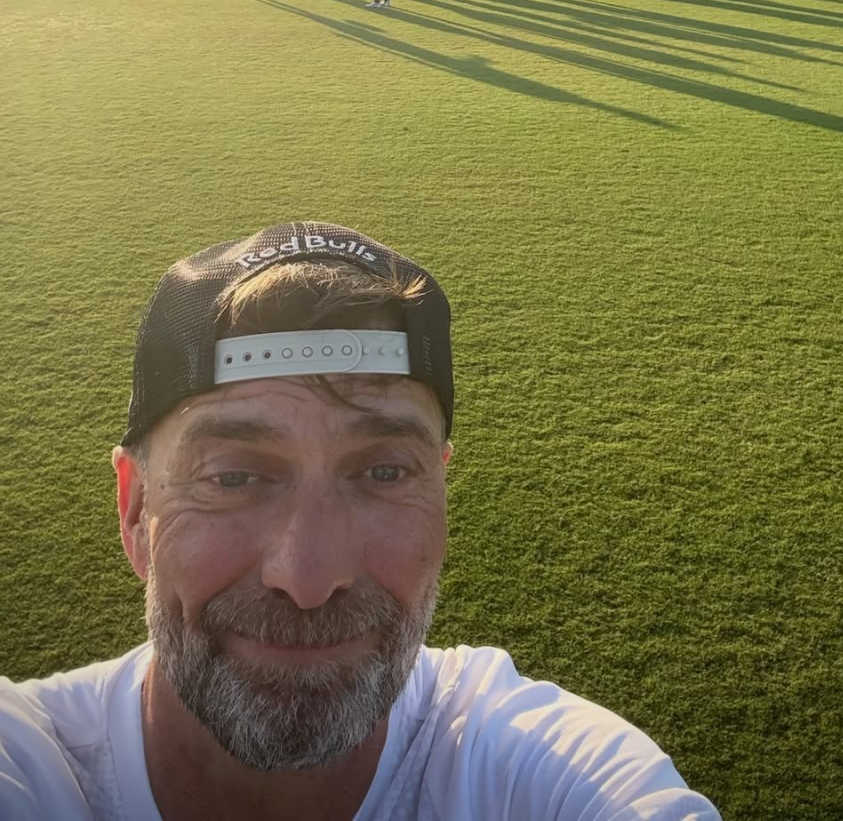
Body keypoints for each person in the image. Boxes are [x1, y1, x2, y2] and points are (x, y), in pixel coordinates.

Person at [0, 221, 721, 821]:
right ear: (135, 510)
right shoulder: (30, 761)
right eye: (235, 477)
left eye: (383, 473)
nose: (309, 579)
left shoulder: (539, 773)